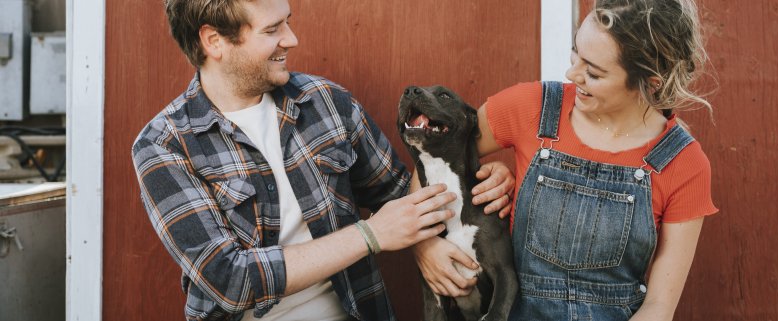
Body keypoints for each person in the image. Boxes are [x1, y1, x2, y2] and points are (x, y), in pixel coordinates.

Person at [131, 0, 514, 320]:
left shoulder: (327, 102)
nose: (291, 39)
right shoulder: (164, 146)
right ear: (214, 41)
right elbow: (229, 279)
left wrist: (470, 178)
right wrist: (371, 234)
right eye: (272, 30)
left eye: (288, 23)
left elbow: (400, 195)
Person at [413, 0, 718, 320]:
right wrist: (425, 247)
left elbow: (659, 307)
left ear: (650, 82)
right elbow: (431, 159)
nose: (572, 73)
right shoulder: (528, 107)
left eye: (594, 72)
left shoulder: (683, 164)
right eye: (576, 53)